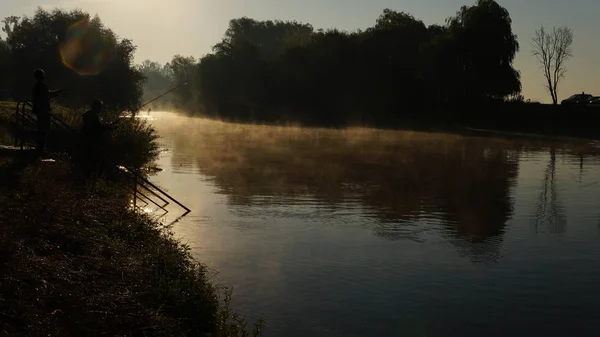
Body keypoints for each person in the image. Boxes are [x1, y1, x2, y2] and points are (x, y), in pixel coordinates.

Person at [80, 99, 119, 178]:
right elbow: (98, 128)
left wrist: (110, 126)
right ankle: (88, 180)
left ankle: (88, 179)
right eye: (100, 107)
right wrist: (110, 127)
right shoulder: (92, 116)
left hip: (90, 142)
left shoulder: (90, 115)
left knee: (91, 162)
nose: (101, 109)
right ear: (95, 107)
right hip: (91, 143)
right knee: (92, 162)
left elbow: (99, 127)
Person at [32, 68, 64, 154]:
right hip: (43, 111)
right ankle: (40, 149)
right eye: (42, 75)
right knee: (44, 129)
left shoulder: (37, 86)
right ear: (40, 76)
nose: (44, 76)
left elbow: (47, 94)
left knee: (42, 129)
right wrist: (59, 92)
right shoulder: (41, 86)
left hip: (40, 110)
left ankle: (40, 148)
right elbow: (48, 94)